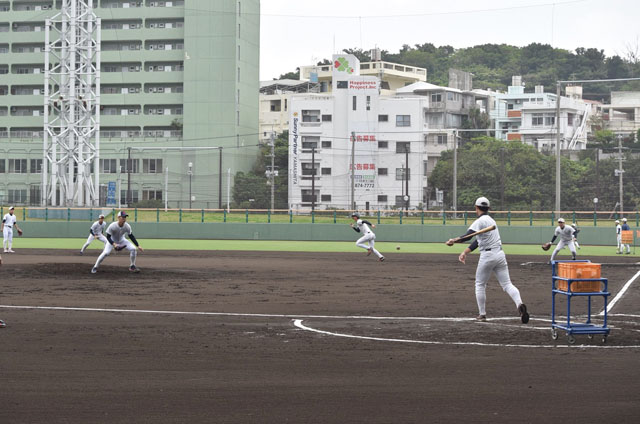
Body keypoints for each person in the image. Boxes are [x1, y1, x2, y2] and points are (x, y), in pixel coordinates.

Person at [445, 197, 529, 323]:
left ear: (476, 207)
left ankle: (482, 314)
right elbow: (477, 240)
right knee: (507, 284)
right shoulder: (491, 220)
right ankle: (519, 304)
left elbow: (467, 236)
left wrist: (454, 240)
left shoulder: (480, 221)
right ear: (488, 208)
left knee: (480, 284)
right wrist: (465, 252)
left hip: (487, 256)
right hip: (500, 255)